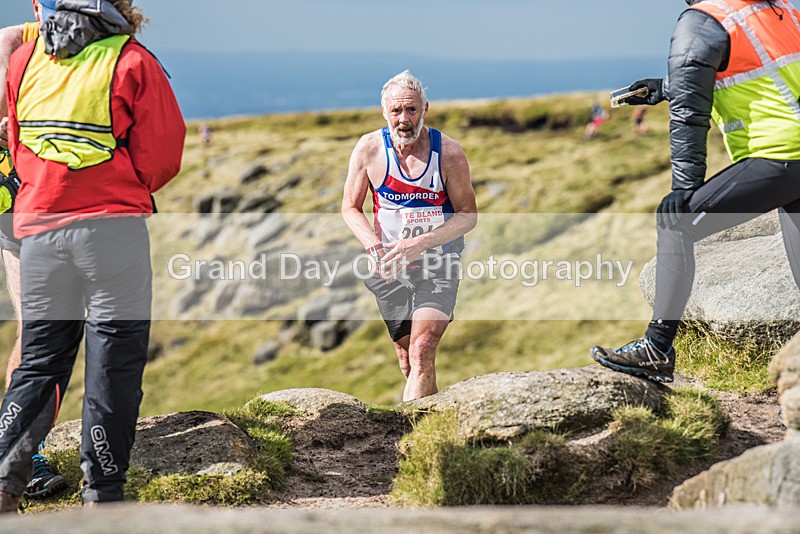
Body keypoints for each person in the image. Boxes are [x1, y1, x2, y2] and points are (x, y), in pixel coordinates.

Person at [0, 0, 185, 513]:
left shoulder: (26, 60)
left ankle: (4, 480)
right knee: (113, 365)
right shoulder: (132, 61)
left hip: (38, 232)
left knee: (38, 363)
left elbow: (15, 141)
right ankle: (102, 497)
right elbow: (163, 158)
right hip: (111, 234)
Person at [590, 0, 800, 383]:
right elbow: (756, 69)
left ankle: (656, 347)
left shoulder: (703, 20)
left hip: (780, 158)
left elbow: (690, 113)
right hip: (793, 162)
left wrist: (685, 189)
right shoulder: (776, 8)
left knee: (675, 224)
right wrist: (664, 87)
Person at [342, 70, 477, 401]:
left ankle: (415, 442)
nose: (404, 120)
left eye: (412, 110)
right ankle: (433, 421)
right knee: (408, 359)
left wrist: (418, 244)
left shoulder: (448, 153)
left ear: (425, 108)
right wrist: (374, 248)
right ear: (384, 112)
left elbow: (468, 216)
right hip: (389, 268)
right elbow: (350, 207)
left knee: (422, 349)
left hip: (438, 264)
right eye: (397, 111)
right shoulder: (369, 149)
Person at [0, 2, 70, 502]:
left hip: (79, 208)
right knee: (38, 329)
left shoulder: (106, 48)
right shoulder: (10, 43)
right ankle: (20, 455)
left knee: (57, 332)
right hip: (20, 205)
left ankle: (27, 448)